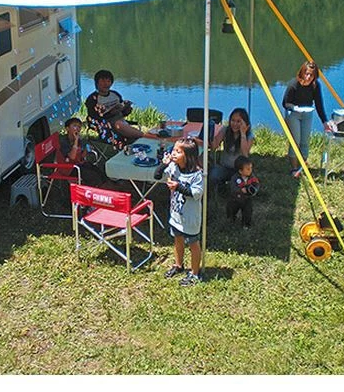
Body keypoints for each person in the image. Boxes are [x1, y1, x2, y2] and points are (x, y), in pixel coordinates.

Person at [154, 138, 204, 286]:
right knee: (177, 240)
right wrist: (164, 164)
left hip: (190, 217)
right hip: (176, 214)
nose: (174, 153)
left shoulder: (197, 175)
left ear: (188, 156)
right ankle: (178, 265)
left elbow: (196, 193)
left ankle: (195, 273)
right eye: (174, 150)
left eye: (178, 151)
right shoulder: (173, 167)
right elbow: (157, 175)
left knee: (193, 244)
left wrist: (178, 187)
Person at [282, 60, 332, 177]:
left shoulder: (315, 86)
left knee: (305, 141)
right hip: (293, 113)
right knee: (296, 141)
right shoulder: (293, 84)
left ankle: (301, 167)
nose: (308, 77)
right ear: (302, 72)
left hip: (307, 113)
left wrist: (324, 121)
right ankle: (294, 168)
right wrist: (294, 107)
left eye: (311, 75)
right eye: (307, 74)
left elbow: (319, 104)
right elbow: (285, 103)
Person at [84, 69, 148, 149]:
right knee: (118, 124)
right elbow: (93, 116)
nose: (106, 84)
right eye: (103, 81)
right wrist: (111, 113)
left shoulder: (115, 94)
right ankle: (146, 136)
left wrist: (126, 109)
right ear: (97, 83)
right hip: (104, 123)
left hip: (120, 120)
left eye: (108, 81)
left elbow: (123, 113)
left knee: (120, 124)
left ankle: (143, 139)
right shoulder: (93, 98)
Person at [208, 107, 254, 193]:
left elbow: (245, 153)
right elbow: (214, 146)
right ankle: (221, 187)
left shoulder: (249, 135)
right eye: (233, 120)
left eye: (238, 121)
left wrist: (243, 134)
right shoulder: (225, 130)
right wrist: (210, 133)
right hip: (224, 166)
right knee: (213, 176)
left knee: (240, 186)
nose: (235, 124)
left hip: (239, 170)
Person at [58, 117, 105, 187]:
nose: (77, 128)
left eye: (79, 127)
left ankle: (106, 185)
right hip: (68, 168)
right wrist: (76, 141)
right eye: (74, 126)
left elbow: (81, 157)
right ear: (67, 129)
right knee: (93, 176)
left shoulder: (79, 140)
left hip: (78, 163)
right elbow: (72, 157)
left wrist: (86, 150)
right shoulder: (64, 142)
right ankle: (93, 189)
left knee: (98, 171)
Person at [226, 155, 260, 229]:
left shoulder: (252, 177)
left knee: (248, 212)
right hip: (235, 199)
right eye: (248, 169)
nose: (250, 170)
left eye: (251, 168)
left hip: (247, 199)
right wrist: (240, 190)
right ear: (240, 171)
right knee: (231, 209)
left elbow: (256, 184)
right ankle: (231, 219)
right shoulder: (235, 178)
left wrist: (254, 190)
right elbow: (232, 187)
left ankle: (246, 224)